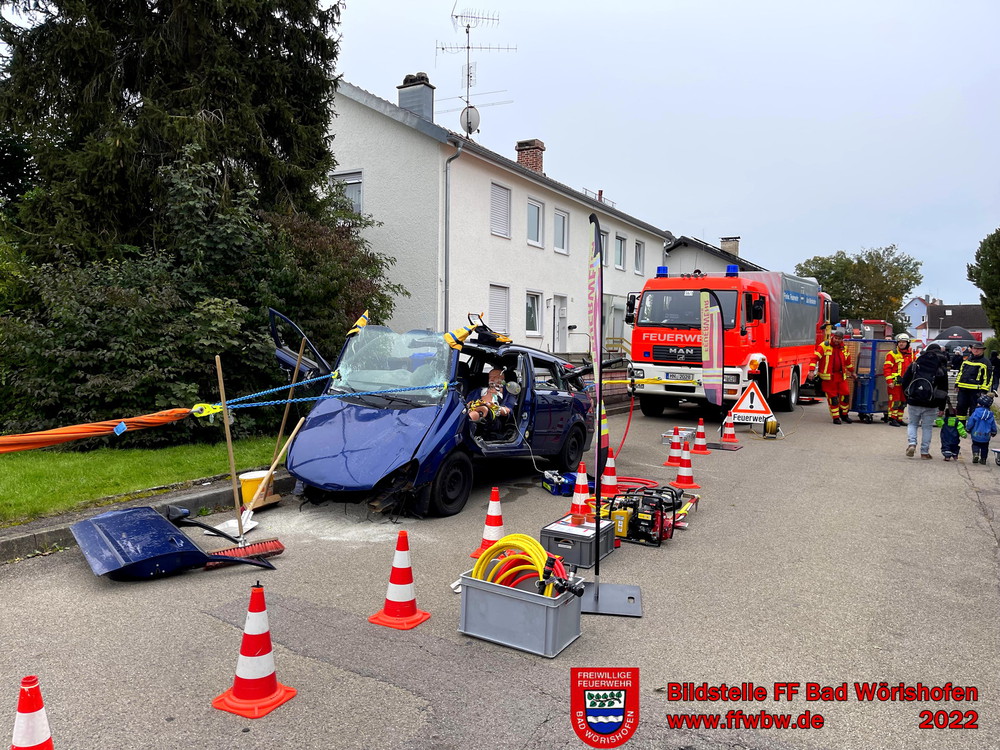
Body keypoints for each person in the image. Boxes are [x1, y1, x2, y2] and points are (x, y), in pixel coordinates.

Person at [900, 343, 949, 459]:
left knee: (912, 424)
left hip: (914, 399)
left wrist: (908, 397)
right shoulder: (941, 368)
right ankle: (924, 452)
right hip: (931, 403)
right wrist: (942, 407)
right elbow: (943, 390)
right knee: (927, 427)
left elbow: (905, 381)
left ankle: (912, 443)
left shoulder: (916, 364)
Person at [811, 328, 857, 424]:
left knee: (846, 395)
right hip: (828, 378)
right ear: (833, 337)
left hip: (841, 376)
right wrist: (811, 371)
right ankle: (836, 417)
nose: (836, 340)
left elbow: (848, 362)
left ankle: (844, 415)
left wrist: (852, 372)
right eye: (835, 338)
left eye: (839, 338)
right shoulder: (824, 346)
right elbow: (814, 358)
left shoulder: (844, 348)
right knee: (833, 399)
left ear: (842, 339)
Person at [955, 342, 993, 424]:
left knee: (974, 409)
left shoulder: (986, 362)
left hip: (976, 391)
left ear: (983, 350)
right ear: (971, 349)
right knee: (961, 407)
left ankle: (972, 426)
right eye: (974, 348)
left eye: (978, 349)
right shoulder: (967, 360)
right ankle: (960, 426)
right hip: (963, 389)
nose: (976, 350)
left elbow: (988, 378)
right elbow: (960, 373)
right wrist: (957, 384)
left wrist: (984, 391)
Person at [883, 333, 914, 426]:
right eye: (900, 342)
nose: (901, 344)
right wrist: (889, 381)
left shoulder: (911, 354)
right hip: (895, 383)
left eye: (903, 342)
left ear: (907, 343)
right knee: (895, 401)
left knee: (903, 401)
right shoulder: (892, 354)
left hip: (906, 383)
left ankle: (899, 419)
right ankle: (892, 419)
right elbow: (886, 369)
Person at [965, 394, 997, 465]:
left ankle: (976, 454)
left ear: (981, 404)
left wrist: (968, 428)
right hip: (986, 435)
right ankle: (983, 459)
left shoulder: (976, 413)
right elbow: (993, 424)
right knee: (985, 447)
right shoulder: (990, 415)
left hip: (976, 434)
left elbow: (971, 422)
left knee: (975, 445)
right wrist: (994, 432)